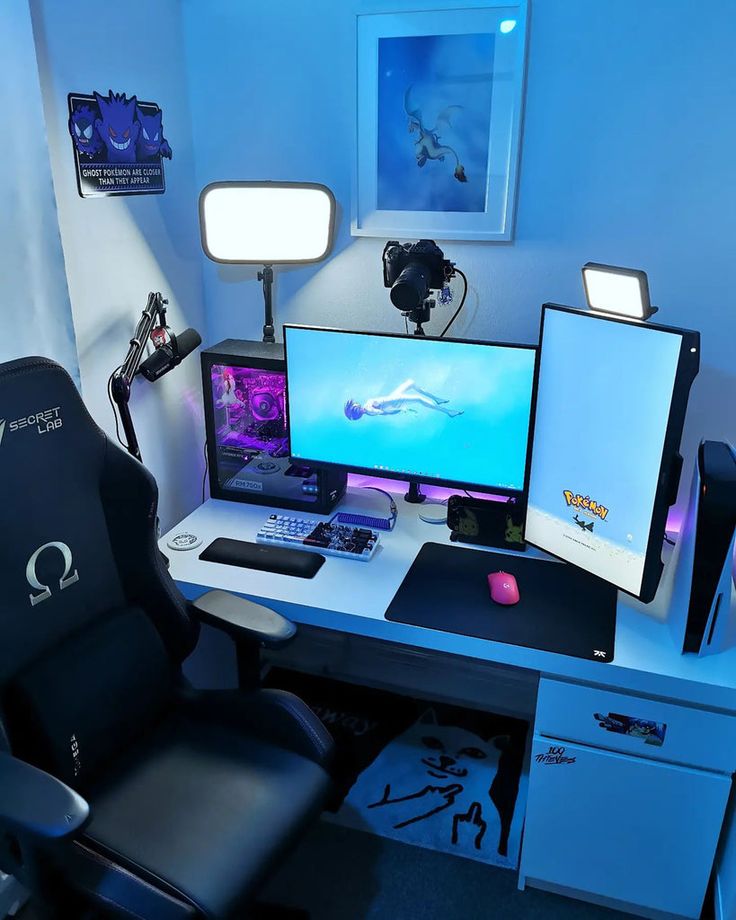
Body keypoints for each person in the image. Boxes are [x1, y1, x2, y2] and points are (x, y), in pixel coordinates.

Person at [344, 379, 463, 421]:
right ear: (356, 409)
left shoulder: (368, 408)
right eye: (354, 406)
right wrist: (401, 409)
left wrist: (398, 410)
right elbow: (383, 412)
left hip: (392, 398)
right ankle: (448, 411)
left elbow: (384, 413)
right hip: (395, 400)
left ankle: (436, 399)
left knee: (411, 383)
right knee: (418, 399)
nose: (355, 403)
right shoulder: (368, 409)